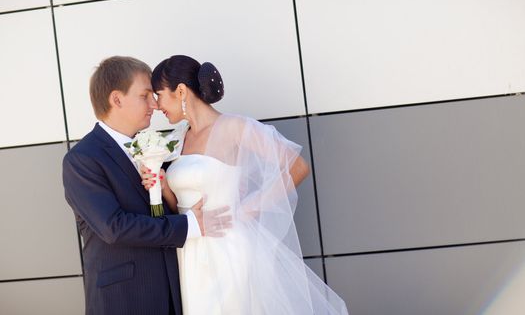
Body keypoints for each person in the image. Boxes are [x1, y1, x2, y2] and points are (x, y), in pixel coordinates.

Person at [140, 55, 349, 314]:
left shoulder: (233, 127)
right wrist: (161, 185)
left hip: (228, 247)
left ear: (180, 91)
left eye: (159, 95)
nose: (157, 106)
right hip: (189, 251)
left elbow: (297, 167)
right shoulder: (178, 137)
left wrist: (247, 209)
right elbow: (179, 204)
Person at [62, 56, 230, 315]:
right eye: (145, 96)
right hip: (125, 298)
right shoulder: (83, 159)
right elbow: (114, 228)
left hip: (174, 292)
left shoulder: (153, 147)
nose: (155, 104)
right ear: (117, 99)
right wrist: (190, 224)